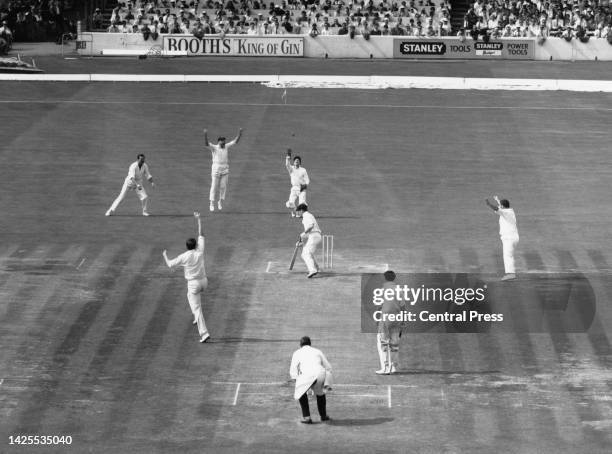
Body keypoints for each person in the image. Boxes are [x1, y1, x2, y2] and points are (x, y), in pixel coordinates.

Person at [162, 212, 211, 343]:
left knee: (197, 308)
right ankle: (196, 316)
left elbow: (170, 264)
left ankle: (204, 333)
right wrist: (199, 219)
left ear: (186, 247)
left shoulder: (184, 256)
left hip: (194, 284)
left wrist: (165, 255)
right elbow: (201, 234)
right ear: (195, 245)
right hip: (204, 282)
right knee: (190, 296)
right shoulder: (200, 250)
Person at [289, 336, 332, 424]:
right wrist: (327, 381)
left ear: (300, 345)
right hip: (320, 373)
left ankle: (307, 417)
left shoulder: (297, 352)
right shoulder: (317, 351)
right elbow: (328, 367)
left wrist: (295, 378)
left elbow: (293, 368)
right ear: (310, 344)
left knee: (301, 392)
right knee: (320, 394)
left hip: (306, 375)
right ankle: (323, 416)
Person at [203, 127, 243, 212]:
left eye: (224, 141)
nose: (224, 142)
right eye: (222, 141)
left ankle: (220, 202)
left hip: (225, 169)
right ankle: (211, 203)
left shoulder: (226, 146)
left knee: (223, 186)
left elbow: (235, 141)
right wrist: (205, 134)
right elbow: (206, 144)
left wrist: (239, 133)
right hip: (216, 170)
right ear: (219, 142)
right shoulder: (214, 147)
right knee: (214, 186)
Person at [376, 270, 404, 374]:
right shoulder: (399, 289)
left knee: (382, 342)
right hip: (396, 318)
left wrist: (377, 318)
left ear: (385, 278)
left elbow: (380, 305)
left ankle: (385, 368)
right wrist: (403, 321)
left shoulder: (383, 289)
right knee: (395, 344)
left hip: (385, 319)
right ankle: (393, 367)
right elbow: (403, 306)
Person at [485, 196, 519, 280]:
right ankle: (511, 272)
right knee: (510, 255)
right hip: (513, 237)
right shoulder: (509, 211)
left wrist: (489, 204)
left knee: (507, 256)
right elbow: (500, 206)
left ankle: (510, 274)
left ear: (503, 207)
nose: (500, 206)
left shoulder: (505, 213)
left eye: (501, 205)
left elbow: (497, 209)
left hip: (509, 238)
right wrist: (497, 200)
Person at [295, 204, 321, 278]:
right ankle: (317, 268)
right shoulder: (307, 216)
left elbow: (311, 226)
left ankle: (312, 270)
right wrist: (301, 241)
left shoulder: (306, 215)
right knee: (309, 253)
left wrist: (304, 233)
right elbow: (308, 233)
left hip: (314, 236)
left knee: (305, 254)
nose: (297, 213)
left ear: (301, 210)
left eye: (298, 211)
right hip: (315, 236)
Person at [285, 149, 310, 218]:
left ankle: (299, 214)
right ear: (294, 162)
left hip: (302, 188)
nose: (296, 162)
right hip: (294, 188)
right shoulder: (291, 169)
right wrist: (288, 157)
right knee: (290, 203)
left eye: (298, 161)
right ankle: (294, 212)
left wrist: (305, 185)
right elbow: (287, 164)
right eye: (295, 161)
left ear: (300, 163)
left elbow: (307, 180)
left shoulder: (303, 170)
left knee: (302, 203)